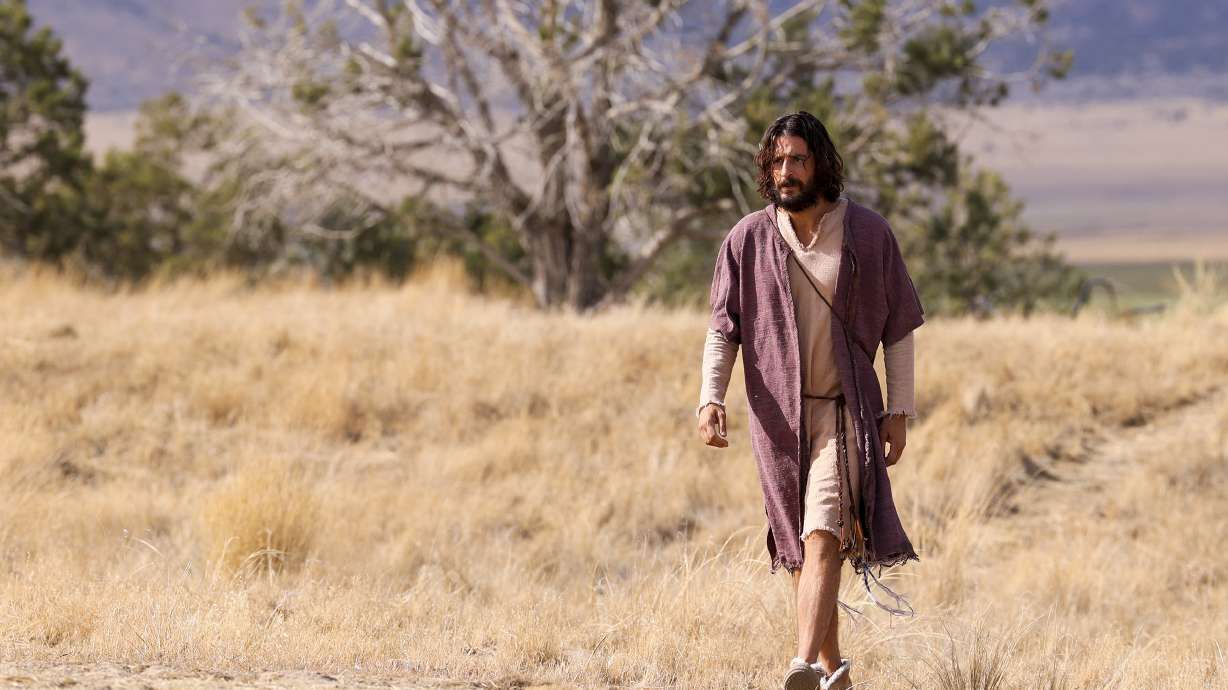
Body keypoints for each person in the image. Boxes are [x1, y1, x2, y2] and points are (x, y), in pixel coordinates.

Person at [694, 112, 924, 690]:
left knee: (823, 531)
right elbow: (723, 328)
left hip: (846, 410)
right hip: (778, 420)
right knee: (801, 547)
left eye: (797, 159)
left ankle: (799, 665)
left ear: (820, 163)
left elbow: (898, 329)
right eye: (777, 161)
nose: (786, 171)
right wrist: (710, 397)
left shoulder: (867, 233)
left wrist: (899, 410)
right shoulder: (747, 238)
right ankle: (832, 671)